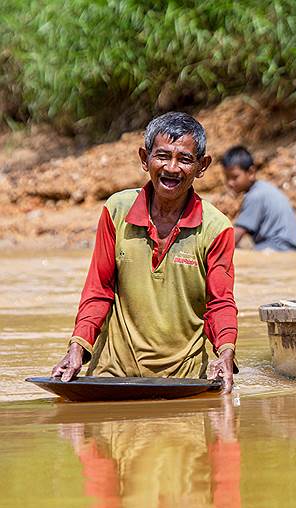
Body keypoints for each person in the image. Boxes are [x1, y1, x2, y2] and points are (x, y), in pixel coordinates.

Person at [51, 112, 237, 392]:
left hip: (182, 382)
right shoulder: (116, 211)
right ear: (144, 158)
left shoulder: (216, 228)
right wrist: (78, 346)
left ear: (202, 166)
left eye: (185, 159)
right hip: (111, 376)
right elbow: (99, 289)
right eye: (162, 156)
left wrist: (225, 353)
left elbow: (219, 303)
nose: (171, 168)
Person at [221, 145, 296, 253]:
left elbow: (236, 235)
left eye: (235, 177)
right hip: (293, 248)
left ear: (251, 172)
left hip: (280, 248)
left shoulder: (255, 196)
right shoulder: (263, 189)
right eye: (227, 177)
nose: (230, 183)